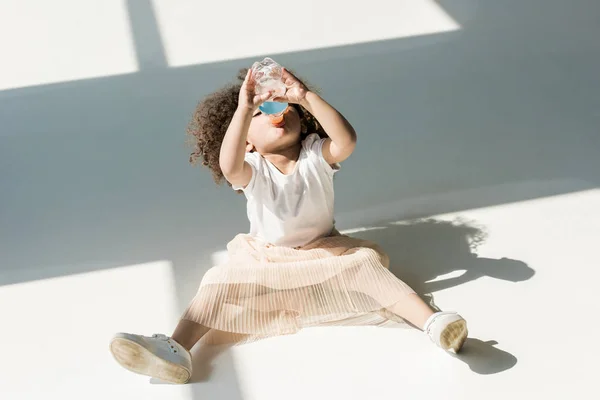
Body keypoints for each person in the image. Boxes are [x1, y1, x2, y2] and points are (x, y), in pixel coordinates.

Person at [109, 65, 468, 384]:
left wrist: (304, 95)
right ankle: (176, 347)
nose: (277, 115)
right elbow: (229, 165)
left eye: (287, 110)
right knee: (219, 281)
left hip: (324, 251)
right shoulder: (251, 168)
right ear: (247, 141)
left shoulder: (316, 153)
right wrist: (244, 107)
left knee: (365, 266)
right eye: (261, 116)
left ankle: (433, 323)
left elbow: (347, 140)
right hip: (268, 258)